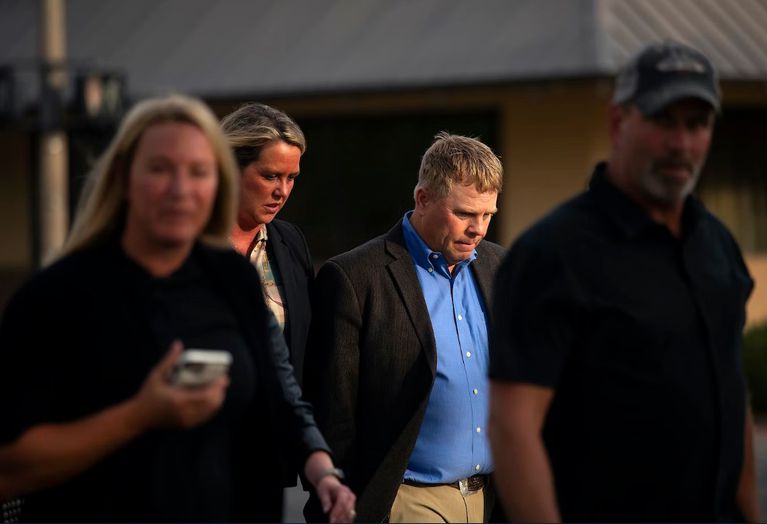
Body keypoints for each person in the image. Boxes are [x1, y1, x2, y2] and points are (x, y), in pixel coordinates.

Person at [0, 94, 355, 522]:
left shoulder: (234, 281)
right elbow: (10, 466)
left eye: (198, 172)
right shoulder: (56, 296)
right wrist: (138, 416)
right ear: (122, 177)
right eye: (160, 169)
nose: (180, 188)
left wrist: (322, 469)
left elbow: (282, 389)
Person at [489, 41, 760, 522]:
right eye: (663, 121)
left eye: (696, 124)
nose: (681, 143)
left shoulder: (716, 246)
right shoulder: (553, 255)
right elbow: (513, 428)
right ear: (619, 123)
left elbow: (731, 395)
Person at [304, 133, 506, 523]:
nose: (478, 228)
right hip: (407, 499)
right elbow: (334, 413)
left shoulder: (500, 267)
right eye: (465, 213)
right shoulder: (355, 277)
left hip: (495, 498)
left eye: (488, 215)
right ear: (423, 199)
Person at [222, 103, 313, 385]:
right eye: (270, 176)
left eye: (291, 178)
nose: (282, 191)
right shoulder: (186, 243)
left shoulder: (291, 242)